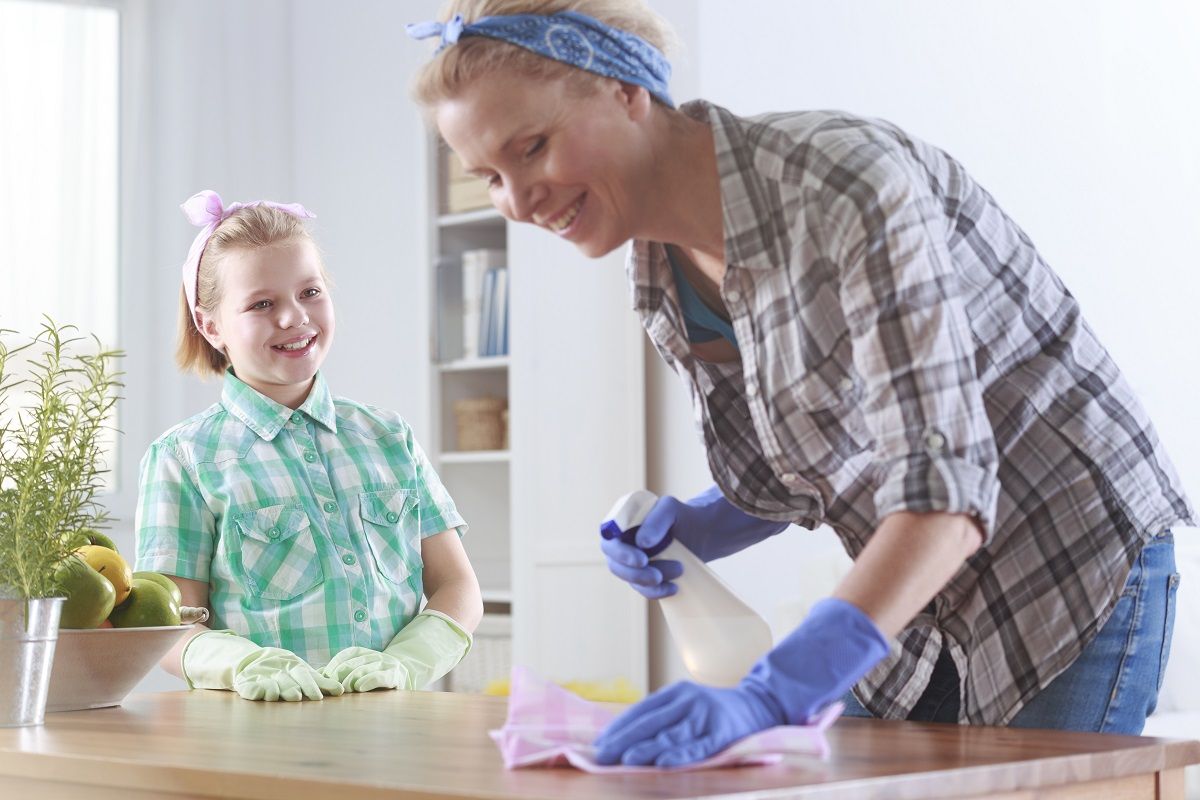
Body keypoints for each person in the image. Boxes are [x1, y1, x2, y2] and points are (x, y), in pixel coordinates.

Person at [408, 0, 1195, 767]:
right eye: (489, 177)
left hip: (1062, 555)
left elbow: (946, 487)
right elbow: (806, 467)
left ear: (625, 88)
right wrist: (707, 522)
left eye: (533, 147)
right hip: (919, 586)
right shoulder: (657, 273)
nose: (516, 200)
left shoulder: (848, 189)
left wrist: (773, 691)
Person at [135, 190, 483, 702]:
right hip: (257, 741)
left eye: (310, 292)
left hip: (399, 727)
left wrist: (407, 663)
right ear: (211, 326)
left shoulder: (390, 438)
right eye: (261, 303)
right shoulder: (184, 459)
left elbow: (458, 586)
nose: (294, 317)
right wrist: (242, 664)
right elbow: (168, 627)